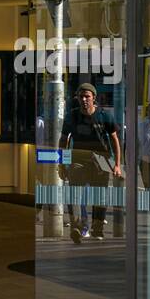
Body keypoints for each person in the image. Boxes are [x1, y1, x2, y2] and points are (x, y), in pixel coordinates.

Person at [57, 83, 123, 243]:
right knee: (74, 194)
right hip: (78, 160)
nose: (84, 99)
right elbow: (63, 140)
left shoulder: (104, 116)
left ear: (94, 97)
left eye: (87, 96)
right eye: (81, 96)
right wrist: (62, 164)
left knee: (99, 197)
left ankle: (97, 229)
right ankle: (77, 227)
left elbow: (115, 140)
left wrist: (117, 165)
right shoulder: (72, 116)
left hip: (101, 161)